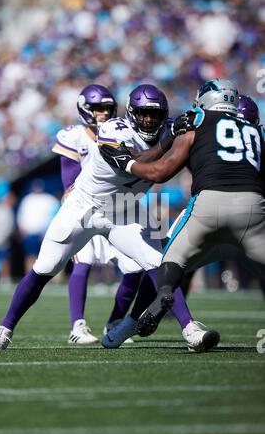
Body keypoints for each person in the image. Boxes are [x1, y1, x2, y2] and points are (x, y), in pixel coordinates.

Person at [0, 84, 218, 352]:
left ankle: (190, 329)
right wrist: (169, 140)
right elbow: (145, 166)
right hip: (84, 206)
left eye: (155, 114)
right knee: (44, 268)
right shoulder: (113, 130)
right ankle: (4, 329)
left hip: (124, 206)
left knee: (161, 265)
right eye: (143, 113)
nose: (149, 120)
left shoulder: (170, 129)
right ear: (130, 113)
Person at [99, 79, 265, 339]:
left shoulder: (197, 119)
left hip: (209, 207)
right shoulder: (256, 134)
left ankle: (146, 311)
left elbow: (160, 171)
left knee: (165, 263)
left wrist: (128, 164)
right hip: (253, 211)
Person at [52, 83, 139, 344]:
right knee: (84, 262)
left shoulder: (122, 133)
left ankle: (115, 323)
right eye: (98, 108)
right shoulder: (72, 136)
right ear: (85, 110)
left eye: (107, 109)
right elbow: (69, 182)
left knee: (134, 269)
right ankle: (77, 327)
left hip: (119, 208)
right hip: (86, 206)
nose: (103, 114)